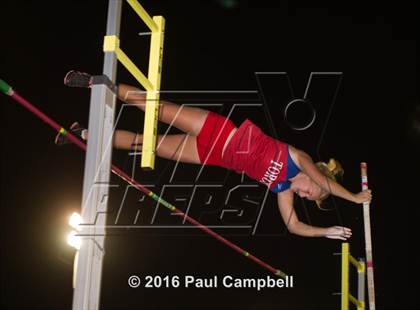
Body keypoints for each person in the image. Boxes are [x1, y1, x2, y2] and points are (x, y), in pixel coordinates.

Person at [58, 71, 372, 241]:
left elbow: (293, 225)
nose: (305, 192)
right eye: (311, 189)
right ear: (316, 175)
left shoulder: (283, 188)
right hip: (219, 131)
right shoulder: (297, 157)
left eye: (307, 195)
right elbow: (322, 181)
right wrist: (355, 198)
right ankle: (96, 83)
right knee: (157, 109)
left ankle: (82, 134)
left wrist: (324, 231)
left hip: (211, 155)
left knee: (147, 145)